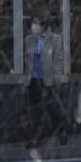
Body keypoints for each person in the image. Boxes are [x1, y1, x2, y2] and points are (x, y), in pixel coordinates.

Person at [23, 14, 68, 148]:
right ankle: (37, 137)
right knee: (35, 109)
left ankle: (61, 132)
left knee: (52, 107)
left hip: (48, 78)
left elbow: (59, 59)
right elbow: (27, 60)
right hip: (34, 78)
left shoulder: (55, 39)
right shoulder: (29, 40)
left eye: (37, 24)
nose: (34, 27)